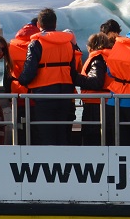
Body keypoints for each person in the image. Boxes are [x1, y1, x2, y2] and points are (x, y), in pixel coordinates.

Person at [17, 8, 82, 146]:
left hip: (44, 95)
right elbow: (72, 69)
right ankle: (64, 162)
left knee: (46, 134)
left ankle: (50, 164)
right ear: (55, 24)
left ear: (39, 25)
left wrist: (21, 81)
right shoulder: (68, 43)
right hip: (65, 94)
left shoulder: (36, 43)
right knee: (62, 132)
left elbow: (29, 71)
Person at [75, 33, 113, 145]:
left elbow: (96, 82)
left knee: (92, 138)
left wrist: (76, 77)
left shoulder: (97, 60)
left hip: (95, 105)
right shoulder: (109, 57)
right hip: (109, 103)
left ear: (92, 46)